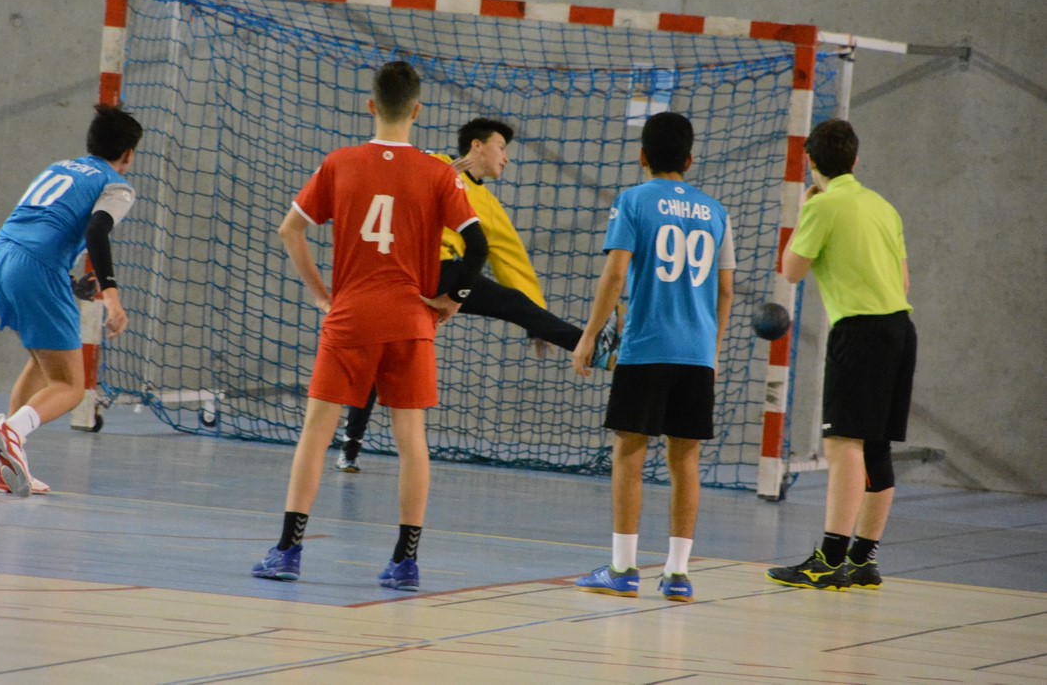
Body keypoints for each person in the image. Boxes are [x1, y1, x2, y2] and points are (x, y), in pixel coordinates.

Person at [251, 61, 488, 591]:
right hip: (411, 319)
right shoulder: (438, 174)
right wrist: (453, 300)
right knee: (411, 441)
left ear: (370, 105)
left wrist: (321, 294)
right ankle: (405, 562)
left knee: (317, 433)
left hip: (351, 317)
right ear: (417, 111)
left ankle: (287, 552)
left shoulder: (340, 163)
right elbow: (478, 247)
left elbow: (290, 230)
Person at [335, 117, 623, 472]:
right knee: (378, 352)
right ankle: (350, 444)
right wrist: (437, 176)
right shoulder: (434, 163)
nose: (506, 158)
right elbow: (392, 185)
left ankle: (350, 446)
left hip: (440, 277)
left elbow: (512, 259)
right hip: (405, 267)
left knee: (505, 305)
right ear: (477, 146)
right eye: (501, 148)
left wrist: (536, 323)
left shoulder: (488, 206)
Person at [571, 111, 734, 603]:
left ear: (642, 156)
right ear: (690, 159)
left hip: (645, 348)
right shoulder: (716, 212)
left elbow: (615, 275)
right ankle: (678, 574)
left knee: (629, 451)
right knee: (686, 459)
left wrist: (589, 336)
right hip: (697, 354)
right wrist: (713, 351)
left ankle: (623, 569)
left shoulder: (633, 201)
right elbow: (726, 291)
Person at [766, 118, 915, 591]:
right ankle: (863, 559)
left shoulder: (823, 205)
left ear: (811, 162)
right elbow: (904, 282)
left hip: (860, 332)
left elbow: (791, 271)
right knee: (876, 446)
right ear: (855, 159)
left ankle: (829, 560)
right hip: (900, 329)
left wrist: (808, 209)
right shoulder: (883, 207)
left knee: (844, 444)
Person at [0, 105, 143, 496]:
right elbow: (96, 232)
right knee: (71, 385)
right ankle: (11, 431)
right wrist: (111, 296)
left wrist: (66, 283)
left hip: (0, 258)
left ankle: (0, 468)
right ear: (128, 155)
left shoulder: (58, 168)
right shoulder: (117, 185)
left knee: (42, 363)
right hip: (36, 268)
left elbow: (36, 227)